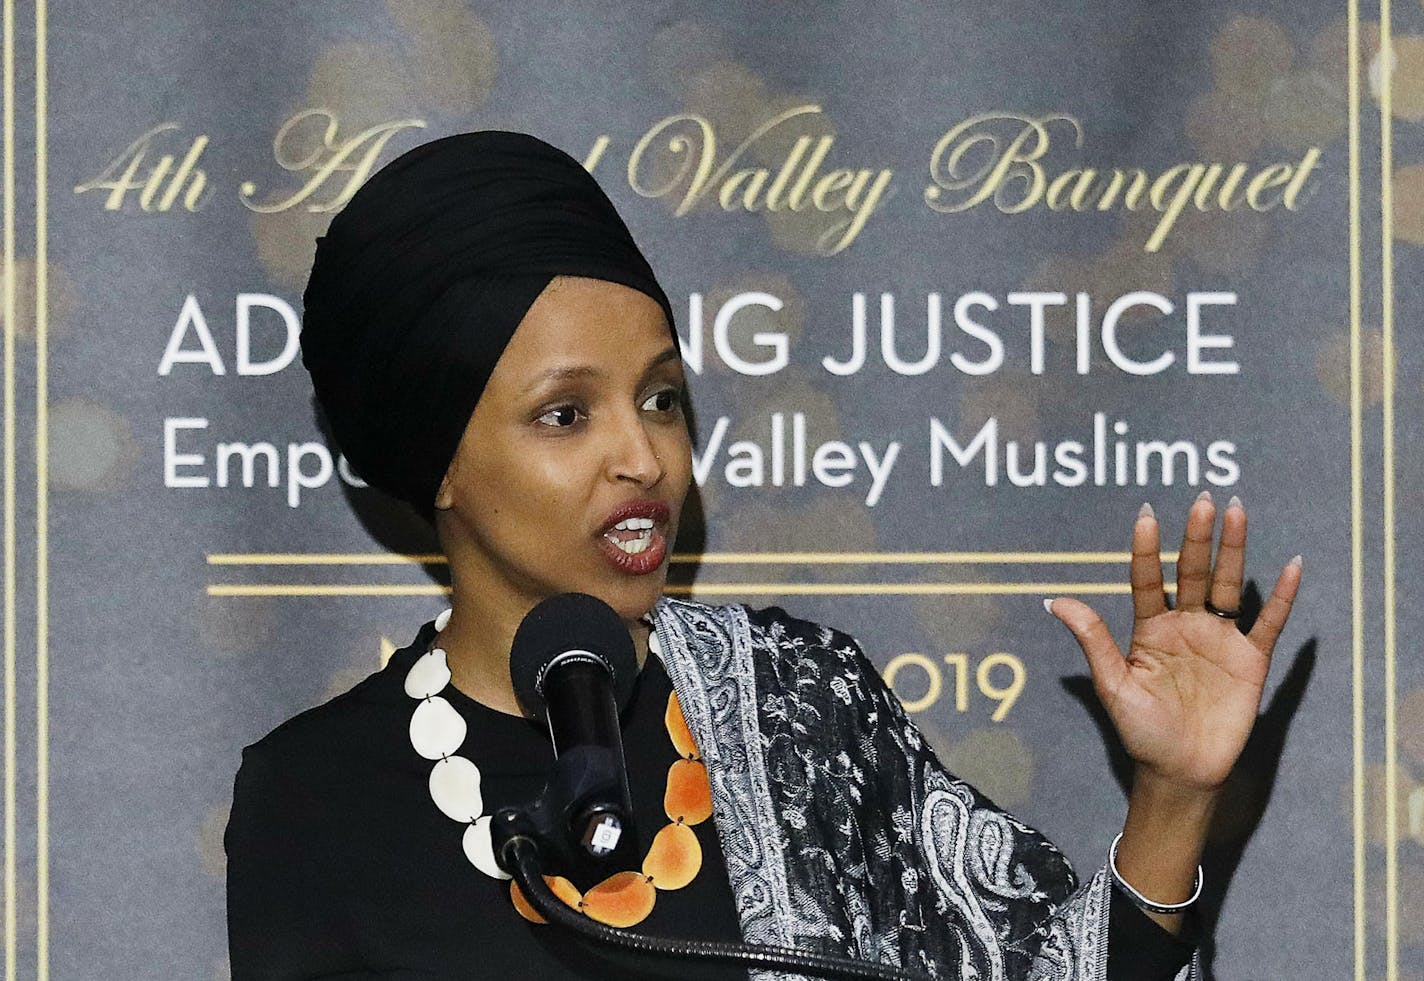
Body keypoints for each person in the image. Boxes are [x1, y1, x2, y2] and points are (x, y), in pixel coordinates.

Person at [225, 132, 1302, 981]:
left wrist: (1169, 796)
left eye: (659, 398)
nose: (641, 455)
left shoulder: (801, 702)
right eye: (564, 415)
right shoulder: (315, 797)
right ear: (437, 462)